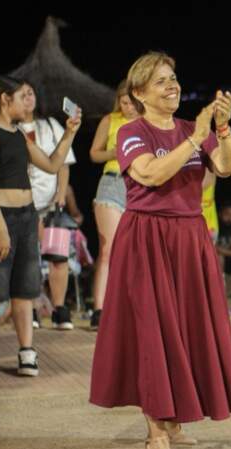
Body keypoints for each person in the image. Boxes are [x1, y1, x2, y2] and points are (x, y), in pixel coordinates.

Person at [89, 52, 231, 449]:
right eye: (161, 81)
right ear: (139, 93)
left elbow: (227, 167)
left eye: (174, 79)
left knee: (187, 328)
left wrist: (223, 130)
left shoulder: (192, 128)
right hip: (147, 238)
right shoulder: (131, 132)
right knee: (152, 333)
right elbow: (152, 174)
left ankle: (175, 421)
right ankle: (156, 436)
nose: (172, 86)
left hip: (190, 236)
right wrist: (195, 138)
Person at [0, 75, 81, 379]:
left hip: (27, 218)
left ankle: (27, 351)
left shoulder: (20, 135)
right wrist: (0, 228)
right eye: (20, 96)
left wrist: (68, 135)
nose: (26, 103)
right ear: (4, 99)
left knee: (25, 290)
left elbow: (52, 165)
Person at [18, 81, 77, 330]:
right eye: (21, 94)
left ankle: (59, 308)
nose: (27, 97)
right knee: (28, 259)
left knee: (58, 257)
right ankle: (31, 309)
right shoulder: (9, 129)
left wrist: (61, 195)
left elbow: (63, 163)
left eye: (30, 93)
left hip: (52, 206)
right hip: (22, 206)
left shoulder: (51, 126)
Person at [88, 80, 139, 330]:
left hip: (139, 187)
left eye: (130, 101)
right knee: (108, 249)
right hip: (112, 183)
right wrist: (115, 152)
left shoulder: (147, 121)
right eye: (123, 100)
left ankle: (127, 308)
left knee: (132, 252)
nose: (126, 106)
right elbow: (94, 153)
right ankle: (99, 309)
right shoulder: (110, 120)